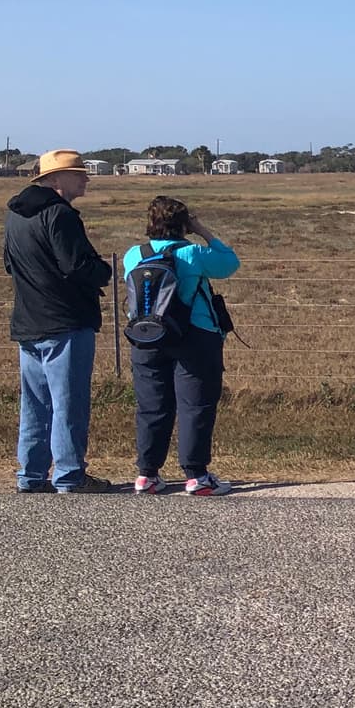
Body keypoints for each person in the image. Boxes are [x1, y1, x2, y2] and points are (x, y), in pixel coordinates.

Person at [4, 149, 115, 494]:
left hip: (29, 319)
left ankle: (32, 475)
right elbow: (76, 265)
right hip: (65, 320)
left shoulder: (15, 215)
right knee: (69, 401)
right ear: (54, 180)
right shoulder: (60, 214)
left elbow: (10, 264)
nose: (85, 178)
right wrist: (103, 271)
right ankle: (69, 474)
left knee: (35, 403)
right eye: (77, 173)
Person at [121, 196, 241, 496]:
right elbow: (229, 262)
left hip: (147, 336)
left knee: (151, 407)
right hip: (195, 335)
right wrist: (202, 230)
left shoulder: (133, 255)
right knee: (195, 406)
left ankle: (147, 475)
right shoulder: (194, 253)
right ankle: (196, 476)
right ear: (184, 223)